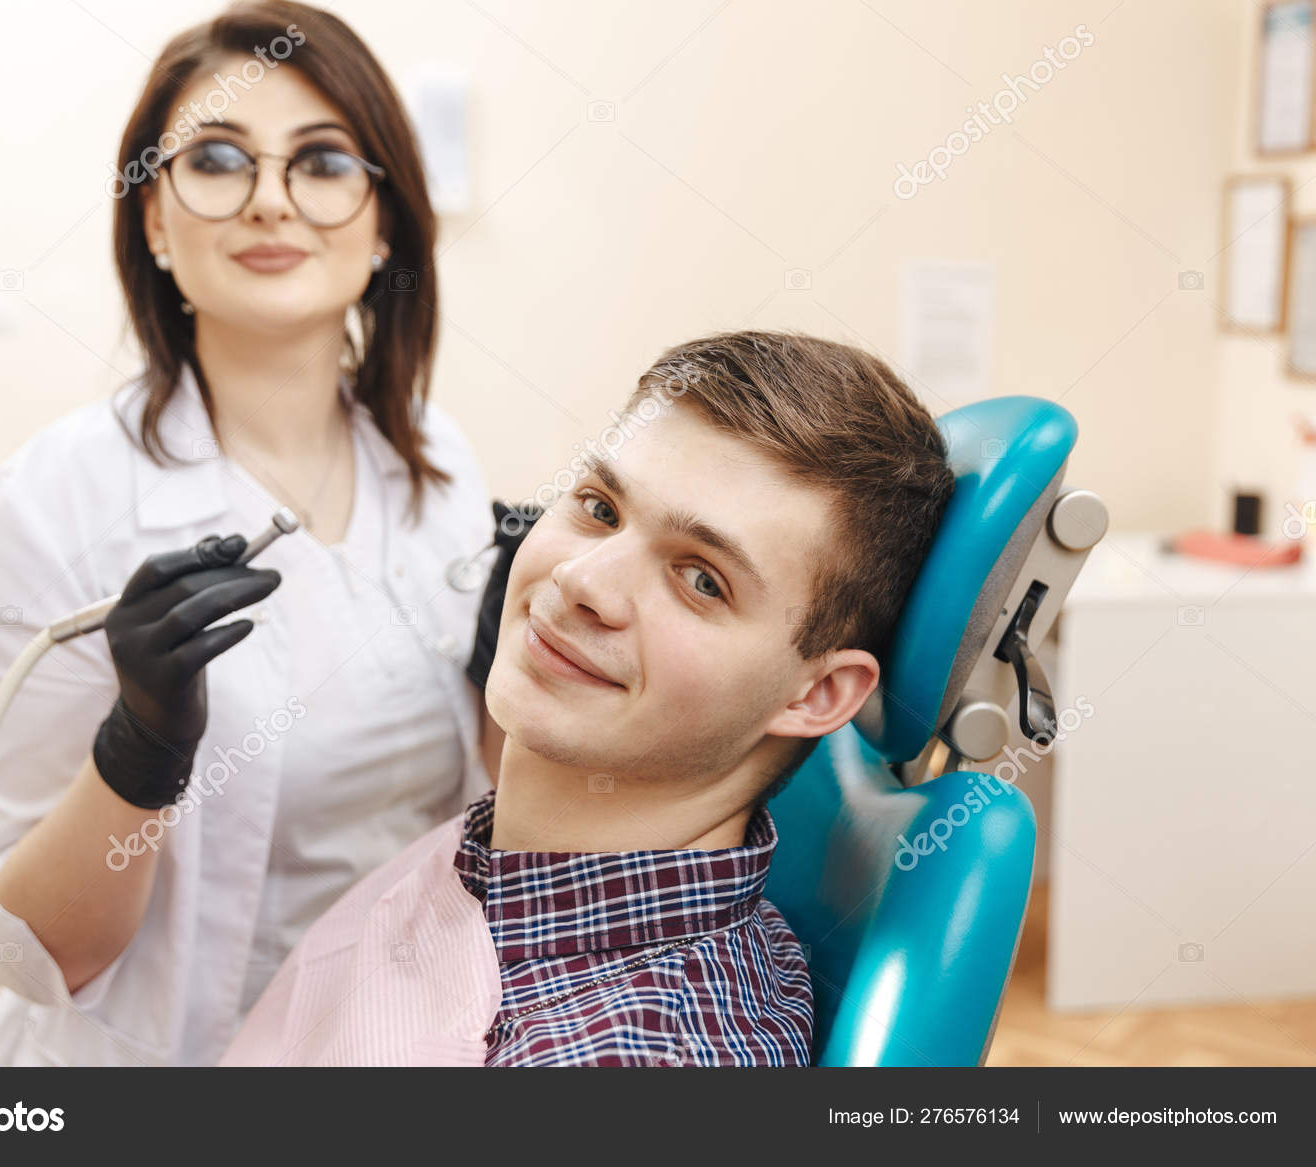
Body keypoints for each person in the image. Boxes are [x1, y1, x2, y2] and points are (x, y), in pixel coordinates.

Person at [0, 1, 498, 1067]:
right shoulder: (60, 498)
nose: (269, 203)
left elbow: (473, 820)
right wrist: (140, 753)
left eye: (324, 162)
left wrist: (516, 671)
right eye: (215, 160)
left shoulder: (436, 461)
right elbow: (26, 952)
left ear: (384, 218)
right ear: (154, 219)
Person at [218, 330, 957, 1067]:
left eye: (701, 579)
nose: (581, 580)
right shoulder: (506, 867)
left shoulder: (625, 1054)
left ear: (817, 694)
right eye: (601, 508)